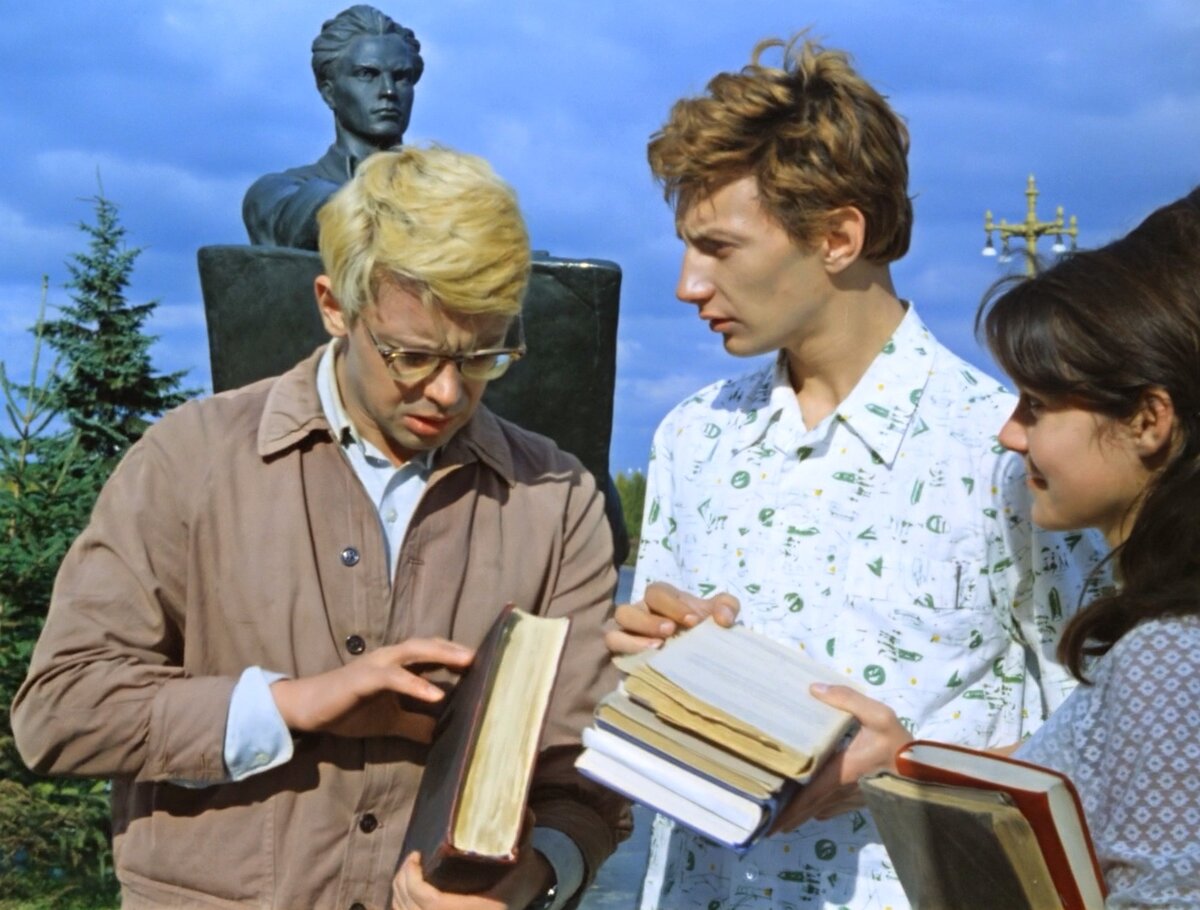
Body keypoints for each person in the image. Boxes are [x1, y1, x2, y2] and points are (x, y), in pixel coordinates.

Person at [12, 146, 628, 910]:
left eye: (483, 358)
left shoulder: (558, 500)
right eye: (412, 355)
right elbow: (60, 712)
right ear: (333, 306)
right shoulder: (188, 458)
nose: (447, 391)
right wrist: (294, 705)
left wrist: (534, 879)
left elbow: (586, 781)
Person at [606, 33, 1107, 909]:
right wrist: (646, 654)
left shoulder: (1005, 448)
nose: (687, 283)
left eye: (719, 247)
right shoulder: (692, 437)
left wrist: (911, 765)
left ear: (839, 237)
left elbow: (1108, 739)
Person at [813, 187, 1200, 906]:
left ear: (1148, 420)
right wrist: (904, 761)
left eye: (1038, 406)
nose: (1009, 433)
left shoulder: (1167, 654)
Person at [242, 5, 422, 249]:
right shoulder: (277, 192)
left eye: (401, 77)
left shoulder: (443, 189)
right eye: (367, 75)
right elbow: (290, 219)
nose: (389, 91)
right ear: (329, 92)